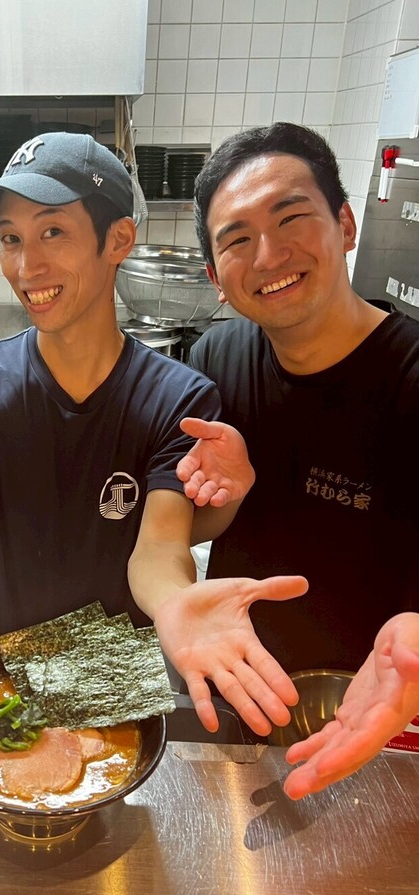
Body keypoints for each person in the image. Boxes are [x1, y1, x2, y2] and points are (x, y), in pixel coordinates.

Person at [0, 131, 309, 735]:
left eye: (52, 233)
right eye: (11, 239)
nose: (26, 266)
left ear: (117, 240)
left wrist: (176, 603)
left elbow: (160, 546)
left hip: (109, 672)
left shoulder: (178, 398)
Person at [178, 121, 419, 798]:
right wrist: (227, 497)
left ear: (345, 224)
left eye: (292, 218)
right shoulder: (215, 361)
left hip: (374, 715)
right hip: (238, 698)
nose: (268, 254)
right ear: (215, 277)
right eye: (236, 240)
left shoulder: (410, 378)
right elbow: (194, 530)